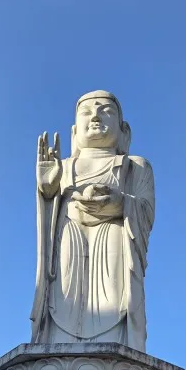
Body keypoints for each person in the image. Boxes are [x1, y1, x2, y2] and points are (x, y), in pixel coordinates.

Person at [31, 91, 155, 353]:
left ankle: (119, 345)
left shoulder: (135, 165)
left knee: (115, 295)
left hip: (114, 242)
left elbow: (146, 213)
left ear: (124, 130)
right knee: (62, 293)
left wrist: (120, 202)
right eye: (86, 112)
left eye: (106, 111)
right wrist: (47, 191)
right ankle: (54, 343)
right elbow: (48, 219)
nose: (95, 117)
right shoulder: (63, 166)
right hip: (70, 241)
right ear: (75, 131)